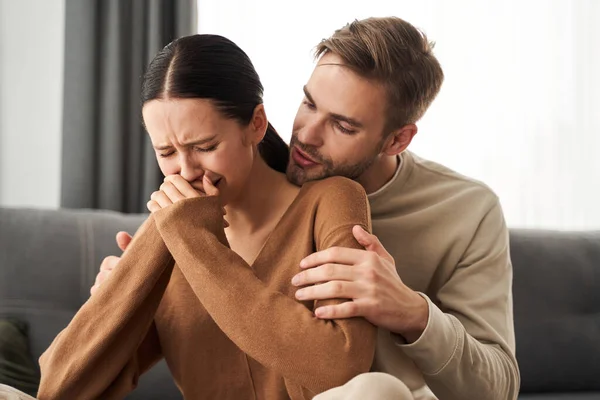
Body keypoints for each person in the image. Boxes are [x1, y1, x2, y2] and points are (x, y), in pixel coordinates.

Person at [95, 16, 521, 400]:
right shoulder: (242, 181)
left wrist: (412, 313)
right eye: (309, 103)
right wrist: (128, 300)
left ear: (397, 140)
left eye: (342, 125)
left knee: (376, 391)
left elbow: (498, 387)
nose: (306, 135)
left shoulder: (466, 210)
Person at [32, 34, 377, 400]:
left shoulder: (330, 201)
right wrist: (136, 269)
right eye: (166, 152)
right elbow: (59, 389)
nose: (185, 171)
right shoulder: (174, 233)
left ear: (256, 124)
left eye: (205, 147)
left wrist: (193, 239)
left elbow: (341, 370)